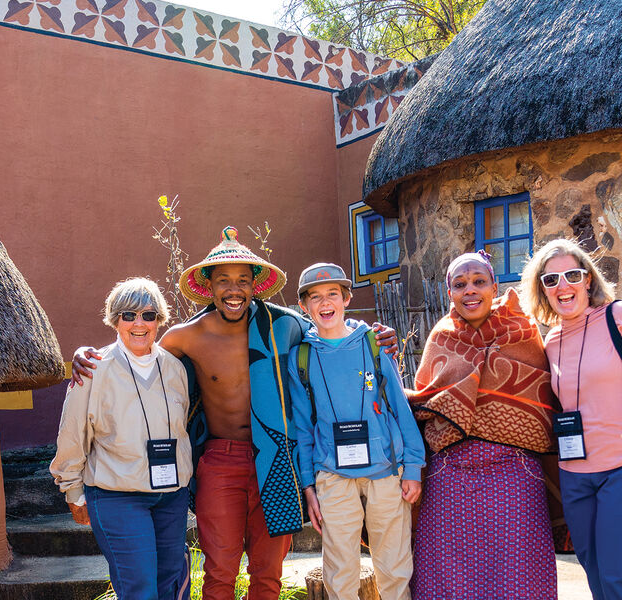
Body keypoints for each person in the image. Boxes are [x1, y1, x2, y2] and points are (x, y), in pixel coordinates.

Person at [69, 227, 397, 600]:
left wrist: (370, 334)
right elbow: (138, 355)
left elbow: (332, 333)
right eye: (224, 280)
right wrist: (87, 352)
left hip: (276, 460)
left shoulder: (284, 325)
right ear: (209, 286)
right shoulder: (186, 336)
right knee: (219, 570)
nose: (234, 289)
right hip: (220, 461)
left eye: (243, 280)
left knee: (269, 571)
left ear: (255, 285)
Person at [522, 238, 622, 600]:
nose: (563, 285)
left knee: (621, 580)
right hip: (576, 476)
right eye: (551, 279)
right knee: (599, 582)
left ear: (588, 280)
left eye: (571, 275)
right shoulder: (552, 341)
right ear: (542, 290)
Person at [408, 252, 559, 599]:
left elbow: (544, 402)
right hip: (449, 479)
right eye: (460, 285)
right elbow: (426, 401)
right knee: (445, 578)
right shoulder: (441, 338)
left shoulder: (523, 332)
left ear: (494, 286)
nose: (470, 290)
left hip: (515, 475)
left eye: (478, 281)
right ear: (450, 293)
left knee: (520, 576)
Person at [286, 263, 424, 600]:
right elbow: (303, 428)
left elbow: (399, 405)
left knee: (394, 567)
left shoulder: (374, 344)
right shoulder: (300, 357)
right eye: (315, 297)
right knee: (339, 571)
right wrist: (308, 486)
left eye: (333, 293)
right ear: (304, 307)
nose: (325, 302)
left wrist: (414, 466)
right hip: (332, 475)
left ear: (346, 298)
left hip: (385, 470)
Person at [50, 278, 192, 600]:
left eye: (148, 314)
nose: (139, 323)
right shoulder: (92, 370)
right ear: (115, 320)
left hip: (171, 496)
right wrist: (73, 490)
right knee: (139, 589)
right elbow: (72, 434)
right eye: (128, 315)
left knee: (171, 583)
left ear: (160, 320)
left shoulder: (175, 369)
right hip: (118, 495)